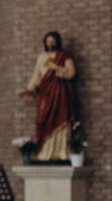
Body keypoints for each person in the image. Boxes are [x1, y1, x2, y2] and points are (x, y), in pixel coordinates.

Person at [20, 30, 78, 162]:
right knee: (42, 120)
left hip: (60, 92)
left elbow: (72, 73)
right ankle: (45, 151)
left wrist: (56, 68)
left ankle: (61, 151)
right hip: (45, 94)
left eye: (53, 41)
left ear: (57, 42)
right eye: (48, 41)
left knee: (61, 117)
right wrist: (30, 88)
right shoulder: (41, 57)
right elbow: (36, 74)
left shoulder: (64, 56)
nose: (50, 43)